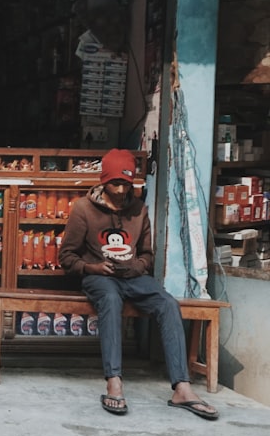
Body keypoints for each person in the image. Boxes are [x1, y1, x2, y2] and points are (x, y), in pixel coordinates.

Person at [58, 148, 219, 420]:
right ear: (103, 181)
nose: (121, 190)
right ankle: (114, 382)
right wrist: (91, 267)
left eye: (126, 183)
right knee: (110, 300)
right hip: (99, 277)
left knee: (168, 304)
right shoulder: (83, 209)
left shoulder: (139, 209)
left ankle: (182, 388)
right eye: (115, 183)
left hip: (133, 277)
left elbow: (147, 254)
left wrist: (138, 266)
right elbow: (66, 256)